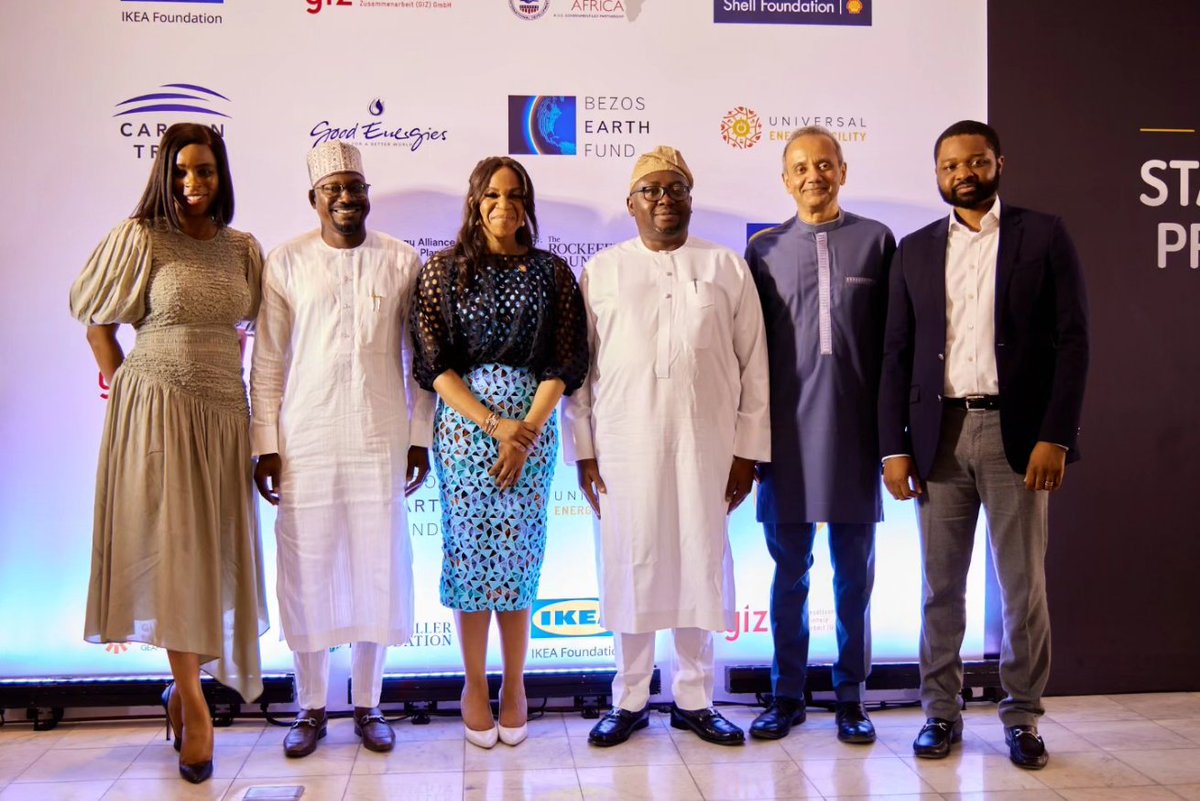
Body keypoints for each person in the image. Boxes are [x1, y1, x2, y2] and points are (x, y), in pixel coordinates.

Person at [878, 120, 1089, 769]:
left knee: (1022, 585)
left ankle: (1022, 715)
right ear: (937, 172)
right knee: (940, 585)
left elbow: (1073, 342)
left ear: (999, 162)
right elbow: (895, 353)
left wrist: (1055, 433)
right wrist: (893, 446)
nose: (962, 173)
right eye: (949, 165)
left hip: (1017, 436)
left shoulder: (1044, 234)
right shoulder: (913, 250)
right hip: (937, 434)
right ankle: (940, 712)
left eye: (974, 161)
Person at [69, 122, 268, 784]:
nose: (192, 183)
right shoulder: (142, 237)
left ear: (222, 174)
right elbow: (93, 314)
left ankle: (181, 692)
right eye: (181, 170)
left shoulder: (244, 249)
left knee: (210, 561)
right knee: (177, 556)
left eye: (205, 170)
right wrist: (123, 378)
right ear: (163, 173)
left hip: (225, 418)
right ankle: (198, 709)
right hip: (158, 413)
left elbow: (268, 330)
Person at [564, 146, 771, 748]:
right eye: (650, 190)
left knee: (698, 563)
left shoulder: (727, 267)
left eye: (674, 188)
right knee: (635, 563)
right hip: (625, 446)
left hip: (707, 446)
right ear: (630, 204)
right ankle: (628, 699)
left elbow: (754, 365)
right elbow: (580, 372)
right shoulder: (601, 271)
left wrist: (746, 450)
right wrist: (584, 449)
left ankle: (694, 698)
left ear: (690, 198)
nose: (663, 200)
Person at [249, 141, 434, 758]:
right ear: (314, 199)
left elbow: (422, 364)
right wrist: (266, 445)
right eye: (333, 188)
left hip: (380, 437)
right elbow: (269, 363)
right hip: (306, 438)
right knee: (308, 567)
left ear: (367, 193)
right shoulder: (286, 262)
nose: (346, 197)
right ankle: (309, 707)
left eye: (355, 186)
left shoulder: (401, 261)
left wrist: (418, 435)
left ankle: (369, 703)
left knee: (375, 564)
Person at [411, 156, 588, 749]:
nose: (503, 205)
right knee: (469, 558)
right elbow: (434, 365)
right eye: (491, 195)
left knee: (517, 560)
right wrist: (494, 424)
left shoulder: (551, 273)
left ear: (528, 204)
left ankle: (515, 684)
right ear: (474, 202)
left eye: (515, 195)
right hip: (465, 435)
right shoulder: (443, 272)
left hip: (532, 432)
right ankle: (474, 687)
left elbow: (565, 360)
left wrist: (525, 432)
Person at [745, 126, 895, 744]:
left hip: (858, 438)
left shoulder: (877, 242)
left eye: (825, 164)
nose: (814, 175)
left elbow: (895, 349)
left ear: (843, 171)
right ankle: (786, 695)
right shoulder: (762, 250)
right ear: (785, 179)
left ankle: (851, 695)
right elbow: (748, 356)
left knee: (854, 575)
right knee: (789, 574)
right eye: (801, 167)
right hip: (785, 440)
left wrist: (896, 441)